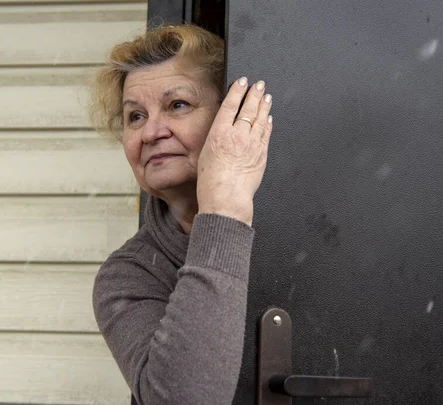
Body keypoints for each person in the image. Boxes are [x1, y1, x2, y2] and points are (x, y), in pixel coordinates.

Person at [89, 23, 273, 405]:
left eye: (177, 105)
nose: (151, 131)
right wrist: (223, 208)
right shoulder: (129, 274)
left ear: (231, 117)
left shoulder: (299, 214)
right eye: (135, 116)